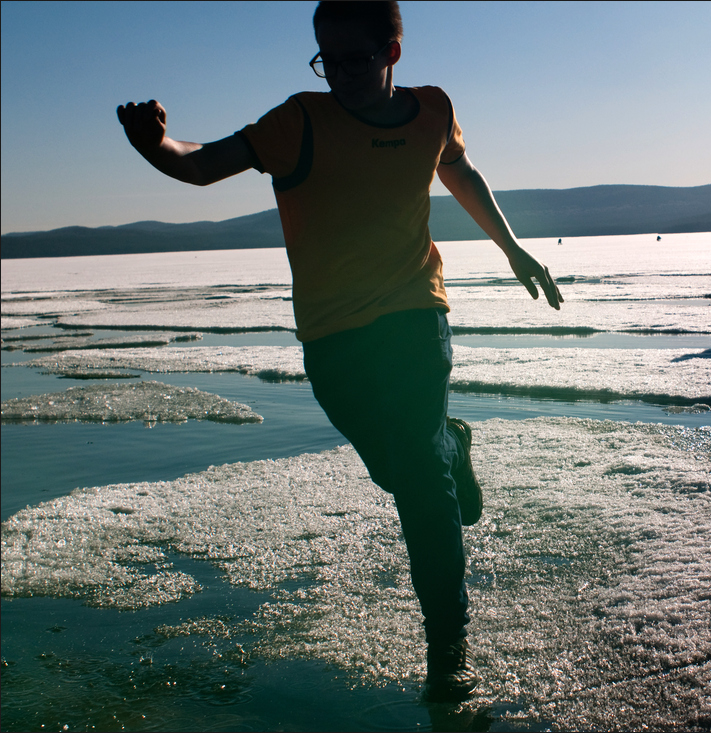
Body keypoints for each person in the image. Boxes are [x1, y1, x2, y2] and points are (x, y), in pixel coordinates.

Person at [117, 0, 563, 703]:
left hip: (416, 317)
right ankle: (452, 444)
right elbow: (204, 166)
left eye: (356, 59)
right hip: (331, 335)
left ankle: (448, 649)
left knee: (419, 487)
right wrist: (156, 148)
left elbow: (459, 170)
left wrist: (512, 248)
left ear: (393, 54)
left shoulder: (432, 109)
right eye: (328, 60)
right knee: (399, 468)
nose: (341, 75)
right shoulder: (299, 121)